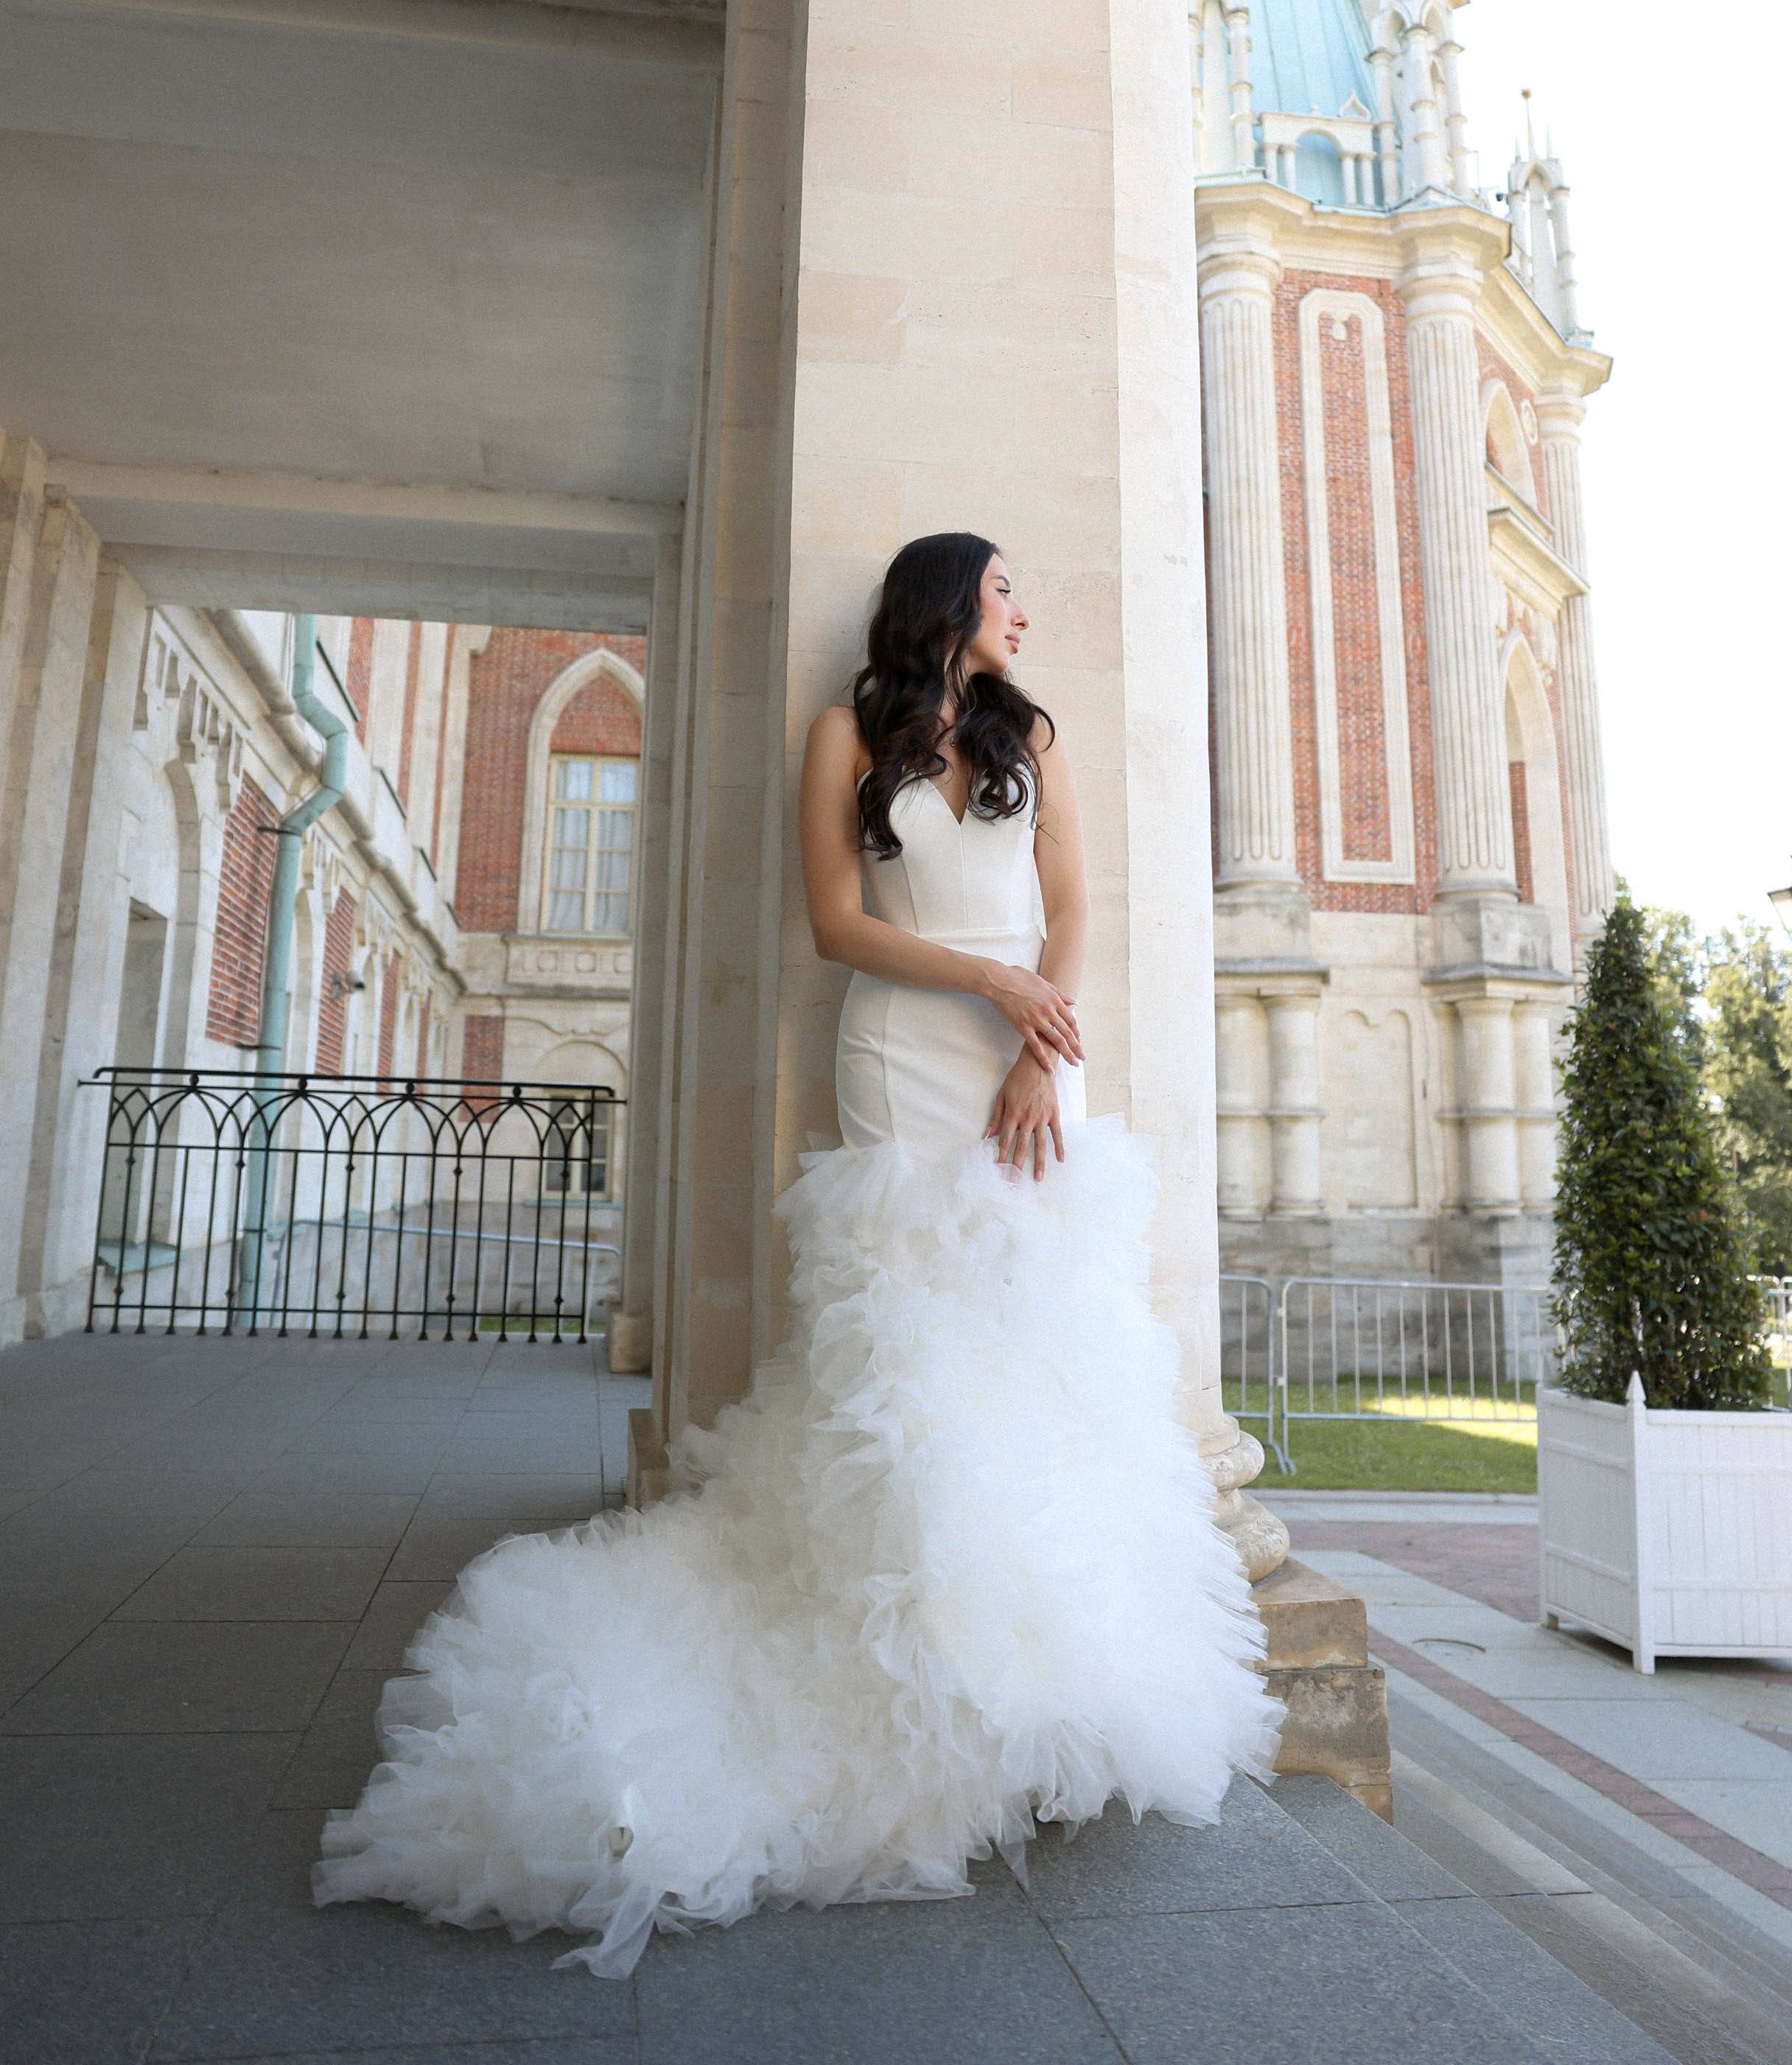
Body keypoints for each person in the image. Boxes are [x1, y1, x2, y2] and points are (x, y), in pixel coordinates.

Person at [314, 532, 1279, 1977]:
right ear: (947, 601)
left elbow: (1073, 908)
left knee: (1043, 1345)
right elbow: (838, 925)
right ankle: (903, 1681)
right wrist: (986, 979)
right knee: (914, 1356)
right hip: (899, 1053)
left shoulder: (1033, 734)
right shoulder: (845, 730)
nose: (1026, 609)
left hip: (1031, 1064)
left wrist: (1035, 1036)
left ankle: (1043, 1689)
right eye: (1007, 587)